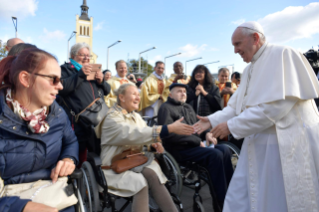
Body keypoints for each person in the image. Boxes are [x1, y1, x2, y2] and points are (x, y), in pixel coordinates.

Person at [194, 21, 319, 212]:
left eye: (237, 44)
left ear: (255, 37)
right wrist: (210, 121)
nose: (235, 50)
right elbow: (236, 107)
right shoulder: (249, 70)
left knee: (279, 200)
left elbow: (276, 106)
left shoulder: (283, 54)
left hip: (287, 145)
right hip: (259, 145)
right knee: (245, 197)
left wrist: (231, 126)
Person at [0, 48, 79, 212]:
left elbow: (70, 141)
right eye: (53, 79)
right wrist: (21, 207)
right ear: (25, 79)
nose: (60, 86)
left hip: (54, 192)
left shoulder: (56, 112)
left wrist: (69, 159)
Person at [95, 83, 194, 212]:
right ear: (122, 97)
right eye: (134, 94)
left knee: (154, 174)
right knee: (140, 183)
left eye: (138, 94)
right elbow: (133, 134)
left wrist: (153, 146)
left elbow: (143, 137)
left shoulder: (135, 116)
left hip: (133, 162)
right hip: (113, 167)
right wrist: (168, 129)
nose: (138, 97)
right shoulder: (112, 118)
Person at [158, 83, 233, 209]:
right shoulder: (165, 108)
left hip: (195, 146)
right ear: (170, 94)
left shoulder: (188, 107)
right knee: (215, 155)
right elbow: (168, 135)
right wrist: (196, 141)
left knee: (225, 150)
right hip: (179, 149)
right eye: (179, 91)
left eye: (184, 92)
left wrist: (208, 134)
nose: (183, 93)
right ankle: (220, 202)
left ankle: (231, 192)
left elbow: (197, 128)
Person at [59, 42, 110, 165]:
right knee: (79, 150)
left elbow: (107, 91)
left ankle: (94, 172)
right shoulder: (64, 69)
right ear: (73, 55)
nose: (87, 58)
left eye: (88, 56)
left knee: (96, 147)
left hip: (97, 118)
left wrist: (101, 81)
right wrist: (80, 75)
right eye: (83, 55)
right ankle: (77, 175)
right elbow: (63, 88)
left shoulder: (93, 70)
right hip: (77, 121)